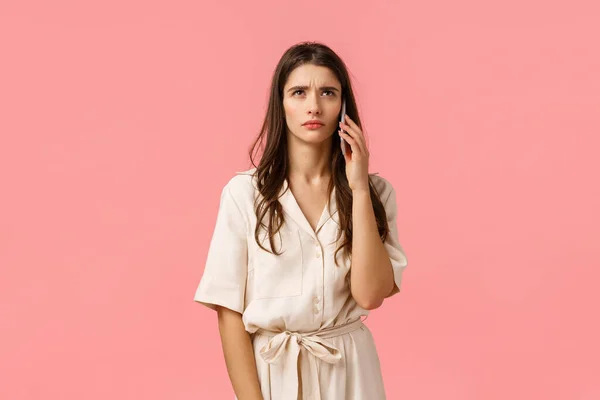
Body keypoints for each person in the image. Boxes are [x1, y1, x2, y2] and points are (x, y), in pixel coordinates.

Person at [193, 41, 408, 400]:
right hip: (275, 375)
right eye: (298, 92)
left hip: (352, 373)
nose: (314, 106)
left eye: (328, 92)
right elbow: (229, 315)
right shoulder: (243, 194)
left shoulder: (374, 192)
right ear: (282, 104)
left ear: (343, 105)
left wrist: (357, 187)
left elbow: (370, 295)